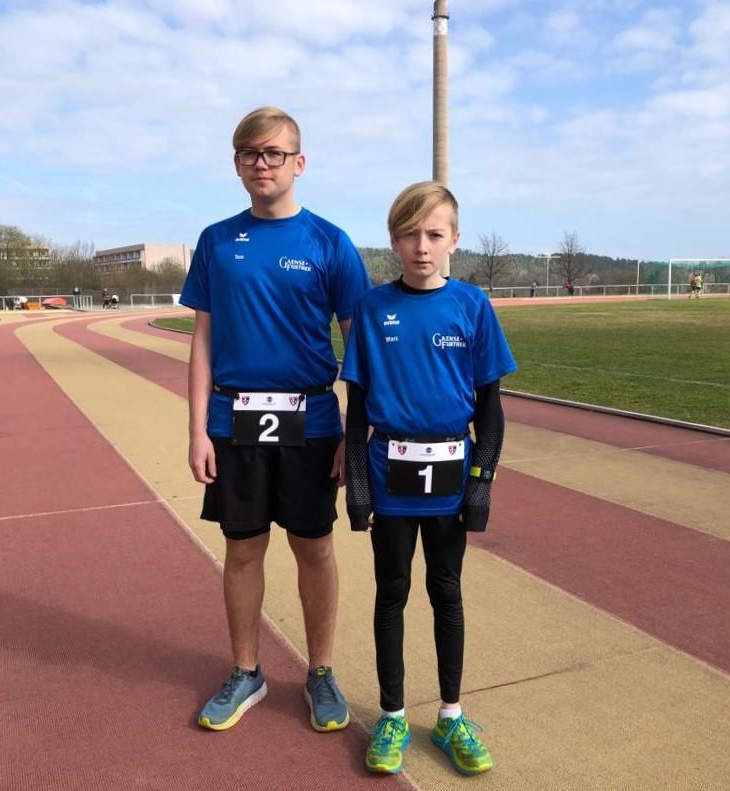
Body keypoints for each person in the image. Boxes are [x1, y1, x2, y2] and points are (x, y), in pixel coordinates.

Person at [179, 107, 370, 733]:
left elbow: (360, 347)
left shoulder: (330, 243)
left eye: (274, 153)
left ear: (299, 163)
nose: (262, 163)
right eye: (249, 153)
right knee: (242, 549)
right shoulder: (216, 241)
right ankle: (246, 671)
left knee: (314, 547)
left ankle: (321, 672)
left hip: (311, 421)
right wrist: (197, 429)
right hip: (233, 420)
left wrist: (353, 434)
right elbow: (202, 341)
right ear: (236, 165)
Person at [342, 182, 517, 776]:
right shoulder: (372, 308)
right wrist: (359, 489)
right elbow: (356, 411)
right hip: (390, 477)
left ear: (454, 240)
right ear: (394, 241)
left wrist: (481, 483)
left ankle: (450, 715)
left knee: (447, 591)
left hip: (450, 480)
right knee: (391, 592)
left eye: (434, 234)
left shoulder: (473, 305)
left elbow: (490, 409)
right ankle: (392, 714)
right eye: (410, 234)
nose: (422, 246)